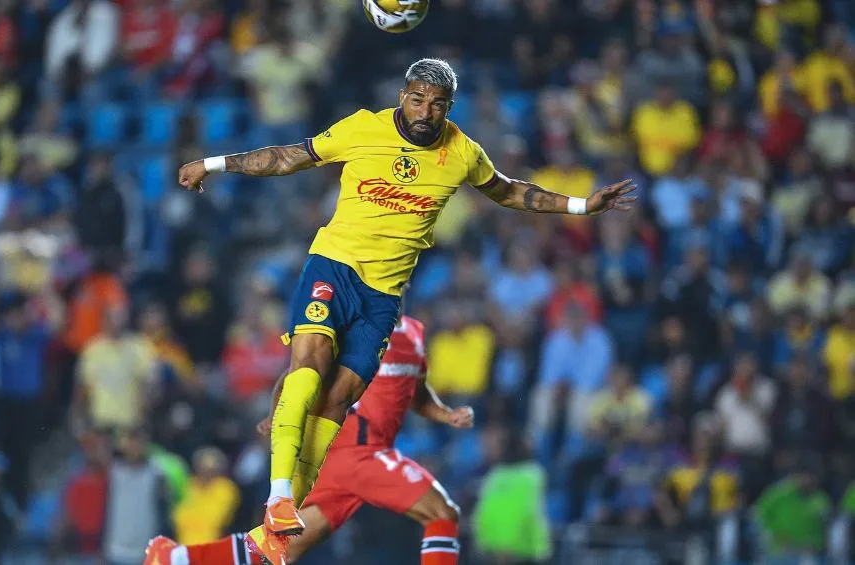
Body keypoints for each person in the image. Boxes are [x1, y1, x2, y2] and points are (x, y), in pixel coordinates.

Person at [176, 57, 635, 559]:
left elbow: (509, 191)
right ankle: (279, 499)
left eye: (437, 104)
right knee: (307, 370)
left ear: (448, 108)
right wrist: (213, 164)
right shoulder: (362, 129)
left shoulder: (462, 152)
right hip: (335, 266)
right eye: (418, 99)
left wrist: (580, 206)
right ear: (403, 96)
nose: (426, 110)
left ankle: (268, 533)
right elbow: (288, 157)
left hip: (384, 297)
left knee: (335, 402)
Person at [144, 315, 475, 565]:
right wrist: (278, 414)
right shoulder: (352, 327)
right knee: (442, 512)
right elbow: (298, 371)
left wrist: (445, 414)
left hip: (353, 459)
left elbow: (414, 390)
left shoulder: (412, 334)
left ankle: (175, 558)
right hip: (355, 449)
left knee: (278, 548)